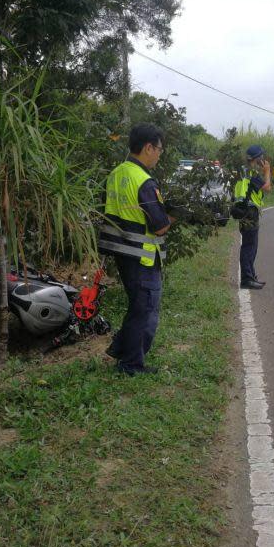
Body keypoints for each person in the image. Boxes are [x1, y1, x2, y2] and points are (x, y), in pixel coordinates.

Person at [98, 124, 174, 375]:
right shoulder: (144, 180)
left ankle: (122, 350)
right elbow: (160, 227)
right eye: (159, 149)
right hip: (142, 257)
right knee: (146, 310)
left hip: (123, 254)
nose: (159, 154)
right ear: (148, 148)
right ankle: (131, 364)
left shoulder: (117, 173)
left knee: (137, 306)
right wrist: (172, 217)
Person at [234, 144, 272, 289]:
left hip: (243, 210)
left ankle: (251, 275)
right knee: (249, 246)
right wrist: (267, 172)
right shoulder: (251, 174)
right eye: (261, 156)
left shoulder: (243, 172)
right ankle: (246, 279)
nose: (263, 159)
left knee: (251, 245)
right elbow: (267, 188)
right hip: (249, 211)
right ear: (257, 159)